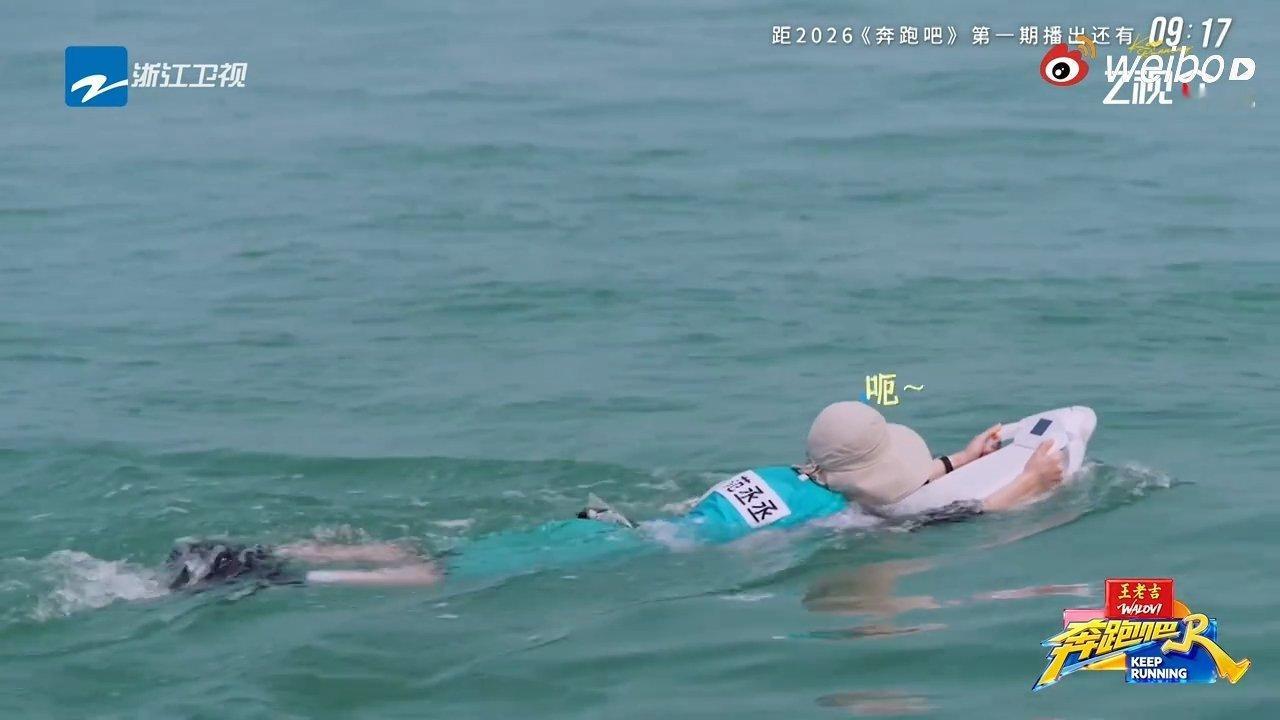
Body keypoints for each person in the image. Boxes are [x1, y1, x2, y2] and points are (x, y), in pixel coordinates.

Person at [165, 401, 1066, 590]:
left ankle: (264, 556)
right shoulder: (841, 515)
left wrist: (966, 451)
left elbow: (905, 490)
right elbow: (936, 519)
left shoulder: (784, 476)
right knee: (438, 575)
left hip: (616, 528)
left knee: (436, 556)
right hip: (622, 551)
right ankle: (272, 576)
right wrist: (1025, 482)